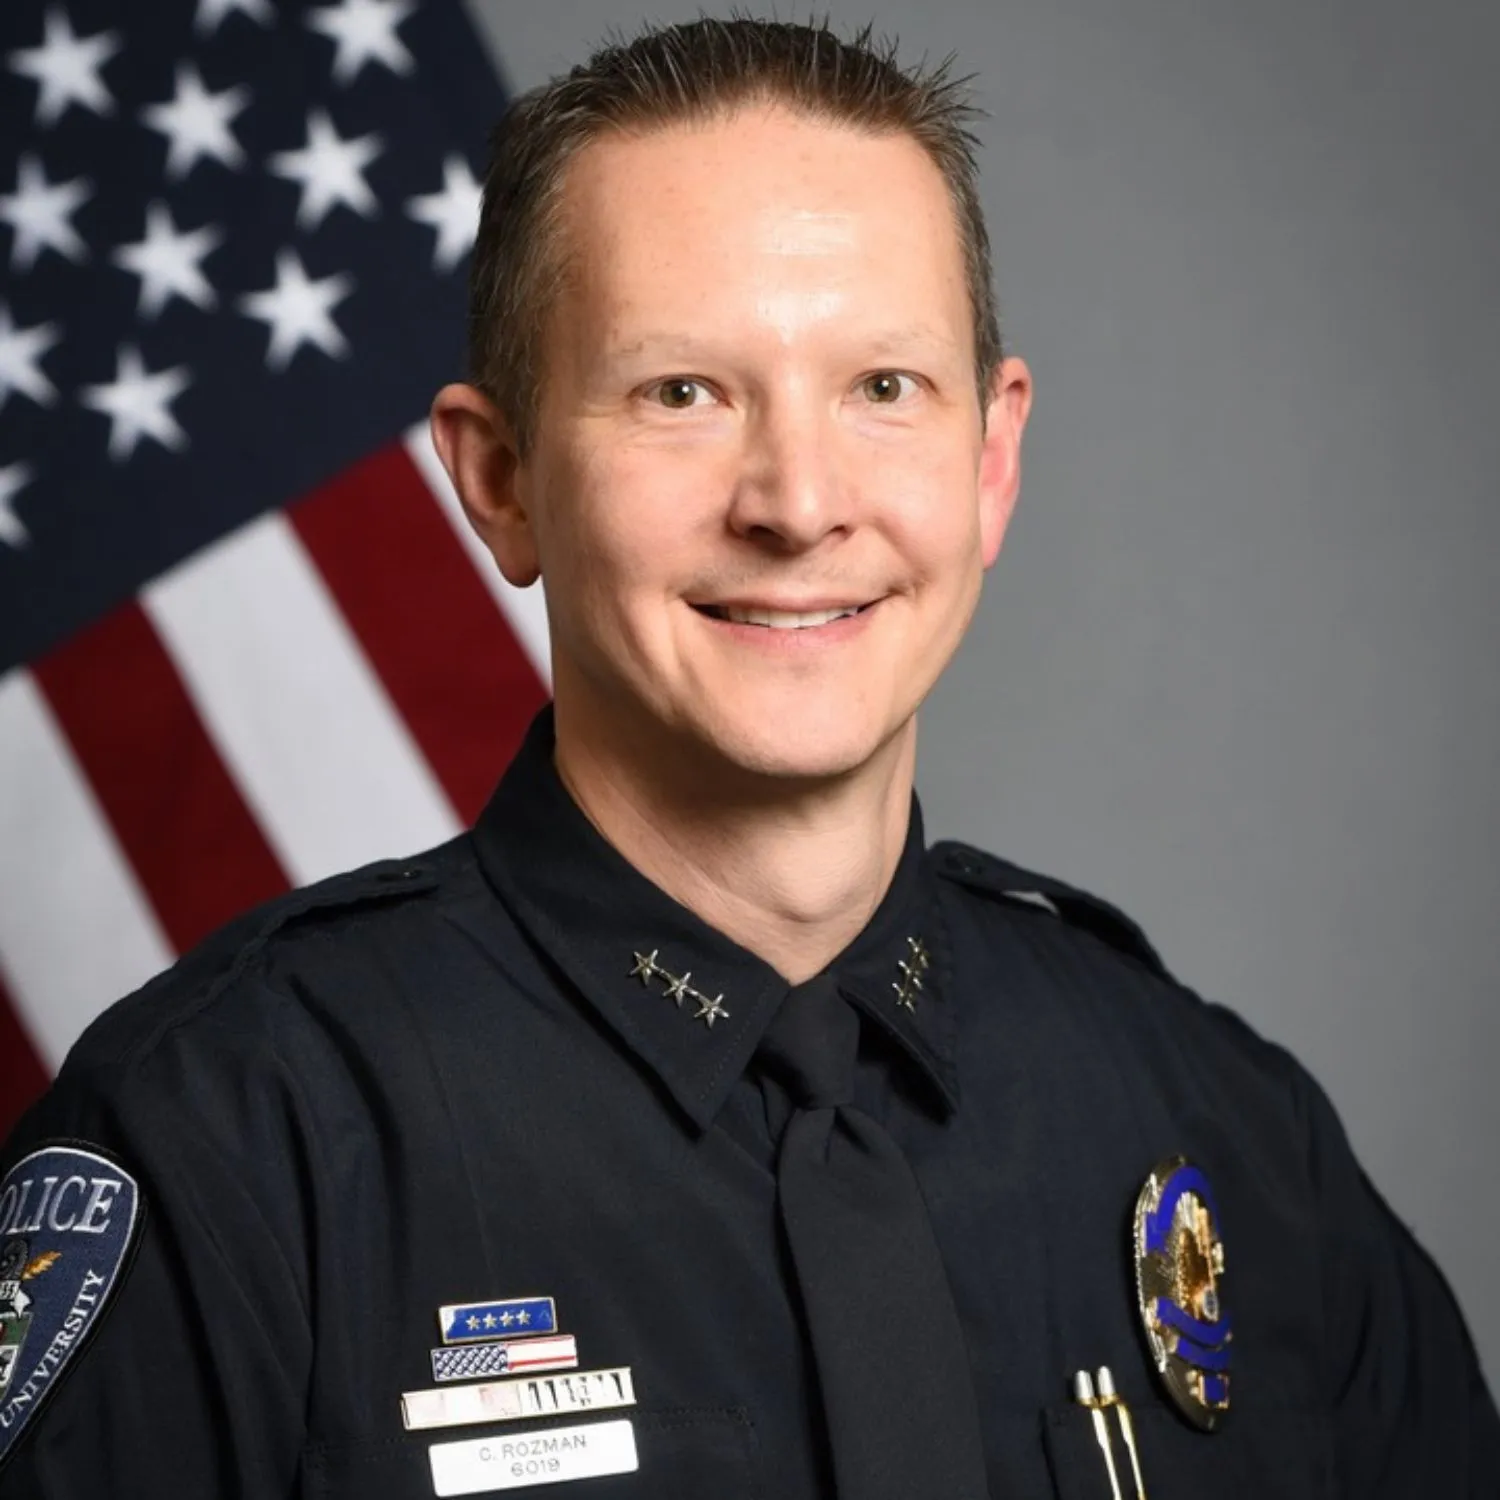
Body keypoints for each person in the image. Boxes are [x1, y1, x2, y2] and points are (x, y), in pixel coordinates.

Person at [1, 16, 1495, 1499]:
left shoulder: (1224, 1129)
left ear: (993, 461)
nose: (797, 502)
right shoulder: (225, 1150)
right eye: (683, 393)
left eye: (884, 388)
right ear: (499, 480)